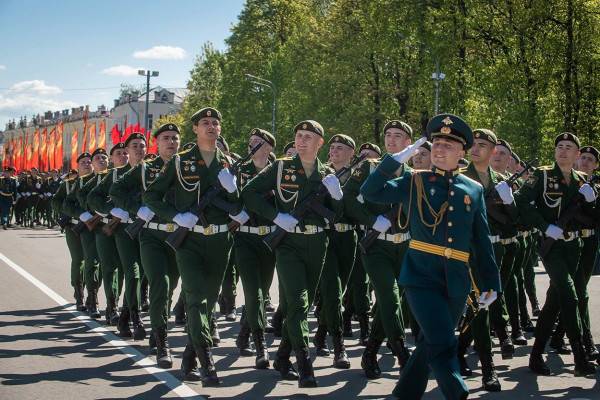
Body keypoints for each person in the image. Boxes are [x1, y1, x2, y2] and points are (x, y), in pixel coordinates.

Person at [361, 113, 501, 400]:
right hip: (421, 275)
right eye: (436, 143)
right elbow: (370, 192)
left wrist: (491, 282)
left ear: (463, 152)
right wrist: (395, 160)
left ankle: (404, 394)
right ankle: (457, 391)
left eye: (448, 145)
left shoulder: (473, 190)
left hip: (457, 280)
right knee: (444, 339)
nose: (439, 149)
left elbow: (481, 241)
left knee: (430, 343)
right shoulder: (414, 181)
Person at [144, 107, 241, 386]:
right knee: (196, 299)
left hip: (221, 239)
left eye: (215, 123)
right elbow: (152, 195)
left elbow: (240, 207)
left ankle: (188, 358)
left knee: (208, 302)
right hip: (190, 239)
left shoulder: (228, 164)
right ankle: (206, 361)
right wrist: (175, 216)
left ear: (220, 129)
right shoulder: (179, 162)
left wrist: (234, 189)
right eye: (205, 123)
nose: (211, 126)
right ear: (196, 129)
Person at [242, 120, 343, 387]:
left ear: (320, 143)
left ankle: (283, 355)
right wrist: (276, 216)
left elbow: (339, 216)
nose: (302, 140)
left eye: (308, 137)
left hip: (317, 242)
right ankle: (304, 362)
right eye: (299, 136)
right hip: (288, 243)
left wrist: (338, 196)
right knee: (297, 302)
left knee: (304, 304)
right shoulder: (281, 167)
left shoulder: (328, 174)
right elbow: (249, 193)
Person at [516, 132, 597, 376]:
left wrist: (593, 201)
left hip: (575, 248)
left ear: (576, 154)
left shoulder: (581, 180)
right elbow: (521, 203)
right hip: (552, 248)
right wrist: (544, 226)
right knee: (570, 297)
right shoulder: (541, 176)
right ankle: (580, 357)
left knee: (554, 303)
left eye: (569, 147)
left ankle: (536, 356)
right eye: (559, 146)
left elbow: (591, 217)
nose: (563, 150)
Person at [344, 120, 414, 379]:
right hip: (376, 246)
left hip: (405, 246)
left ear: (409, 143)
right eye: (388, 135)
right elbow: (348, 199)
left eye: (398, 136)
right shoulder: (370, 167)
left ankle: (370, 351)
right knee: (388, 296)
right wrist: (371, 220)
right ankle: (400, 351)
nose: (392, 140)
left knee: (391, 303)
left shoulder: (413, 173)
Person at [110, 123, 182, 369]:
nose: (170, 142)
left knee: (170, 286)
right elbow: (116, 190)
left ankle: (156, 327)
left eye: (174, 138)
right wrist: (136, 208)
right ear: (158, 143)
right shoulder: (144, 169)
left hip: (179, 237)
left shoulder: (188, 167)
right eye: (165, 138)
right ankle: (163, 342)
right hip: (151, 236)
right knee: (159, 284)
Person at [232, 128, 276, 369]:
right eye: (250, 143)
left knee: (262, 289)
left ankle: (243, 334)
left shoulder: (279, 171)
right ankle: (261, 346)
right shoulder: (240, 171)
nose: (252, 147)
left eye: (258, 143)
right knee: (253, 292)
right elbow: (235, 201)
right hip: (245, 239)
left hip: (270, 240)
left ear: (269, 147)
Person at [312, 133, 357, 369]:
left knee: (338, 289)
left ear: (351, 153)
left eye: (341, 148)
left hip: (348, 237)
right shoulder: (322, 175)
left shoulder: (358, 178)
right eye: (333, 148)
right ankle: (339, 346)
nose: (334, 151)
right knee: (332, 290)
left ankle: (320, 334)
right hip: (327, 236)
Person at [51, 168, 84, 309]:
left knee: (94, 262)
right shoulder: (68, 184)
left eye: (89, 162)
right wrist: (67, 212)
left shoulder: (99, 181)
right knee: (78, 259)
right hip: (73, 226)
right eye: (83, 163)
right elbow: (56, 201)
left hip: (93, 227)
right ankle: (79, 290)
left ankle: (90, 290)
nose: (87, 165)